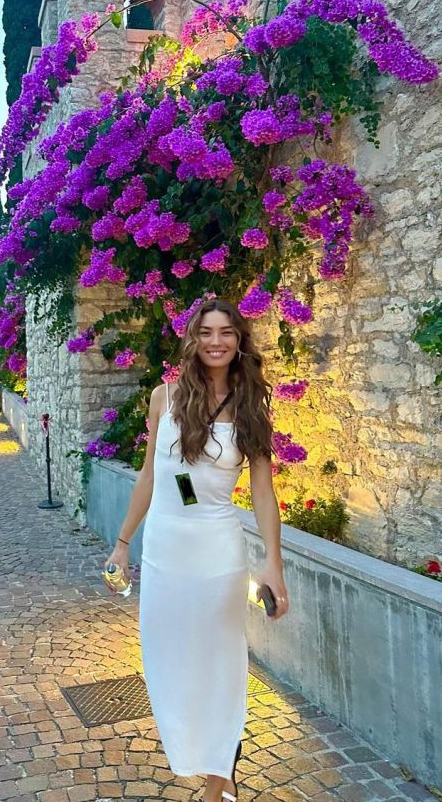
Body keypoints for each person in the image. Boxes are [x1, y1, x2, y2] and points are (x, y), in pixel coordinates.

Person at [104, 298, 289, 802]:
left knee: (220, 663)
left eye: (226, 332)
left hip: (217, 554)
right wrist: (123, 544)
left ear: (239, 340)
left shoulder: (252, 405)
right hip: (165, 553)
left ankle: (219, 778)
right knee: (169, 661)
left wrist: (273, 563)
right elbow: (148, 476)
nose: (216, 341)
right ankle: (199, 754)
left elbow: (263, 491)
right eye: (206, 332)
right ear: (192, 339)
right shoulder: (164, 398)